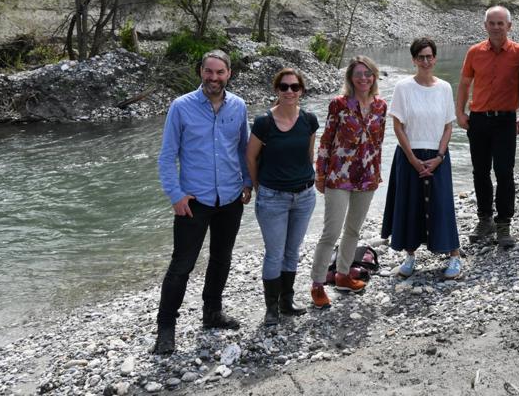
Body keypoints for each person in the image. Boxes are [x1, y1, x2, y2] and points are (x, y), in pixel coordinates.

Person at [153, 50, 252, 355]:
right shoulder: (181, 107)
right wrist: (176, 195)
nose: (214, 78)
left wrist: (248, 182)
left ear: (229, 74)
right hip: (193, 200)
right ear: (200, 72)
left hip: (231, 197)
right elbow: (167, 156)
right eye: (209, 72)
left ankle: (212, 313)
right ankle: (165, 329)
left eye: (220, 72)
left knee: (222, 258)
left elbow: (243, 148)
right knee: (181, 265)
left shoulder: (238, 105)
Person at [381, 38, 462, 280]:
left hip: (438, 156)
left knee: (442, 204)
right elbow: (398, 127)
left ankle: (454, 256)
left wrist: (439, 156)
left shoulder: (445, 87)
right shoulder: (403, 87)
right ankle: (410, 255)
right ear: (414, 60)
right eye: (420, 57)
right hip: (409, 155)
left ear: (435, 58)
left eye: (429, 56)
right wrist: (413, 159)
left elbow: (449, 126)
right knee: (410, 204)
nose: (425, 61)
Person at [310, 56, 387, 309]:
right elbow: (326, 141)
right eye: (358, 74)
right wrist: (320, 175)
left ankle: (343, 275)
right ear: (350, 78)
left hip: (367, 178)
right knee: (331, 232)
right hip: (338, 176)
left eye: (368, 74)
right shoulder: (339, 104)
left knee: (353, 229)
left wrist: (377, 173)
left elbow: (378, 143)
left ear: (374, 77)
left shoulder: (380, 106)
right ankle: (318, 284)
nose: (363, 78)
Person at [245, 69, 318, 327]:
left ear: (301, 91)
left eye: (295, 87)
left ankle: (287, 301)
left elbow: (309, 155)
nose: (289, 91)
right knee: (274, 254)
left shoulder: (309, 120)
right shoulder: (264, 122)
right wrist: (257, 187)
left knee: (292, 251)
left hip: (305, 196)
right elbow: (250, 157)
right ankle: (271, 308)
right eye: (284, 87)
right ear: (276, 90)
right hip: (272, 197)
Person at [455, 6, 519, 248]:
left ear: (509, 26)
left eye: (501, 23)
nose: (496, 27)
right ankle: (485, 219)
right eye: (492, 23)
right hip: (478, 119)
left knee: (505, 171)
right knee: (480, 171)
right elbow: (464, 83)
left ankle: (504, 223)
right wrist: (459, 113)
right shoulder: (475, 52)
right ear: (485, 26)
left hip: (506, 120)